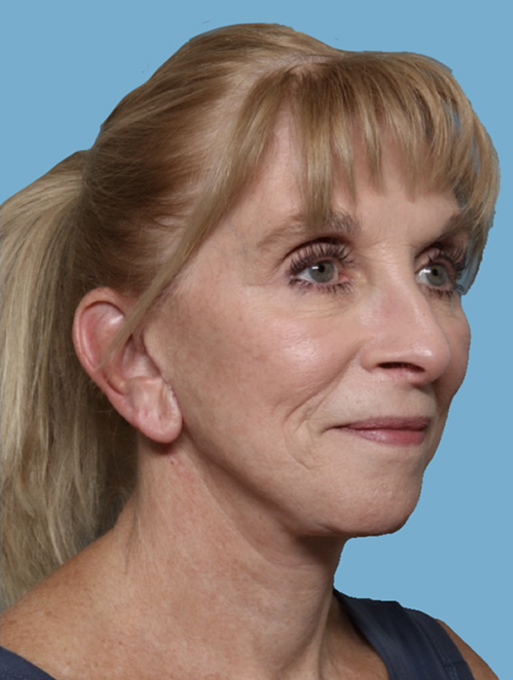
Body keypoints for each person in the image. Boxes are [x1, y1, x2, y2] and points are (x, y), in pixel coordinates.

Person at [0, 22, 500, 680]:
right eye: (319, 269)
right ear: (135, 360)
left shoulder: (447, 664)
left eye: (436, 271)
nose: (428, 346)